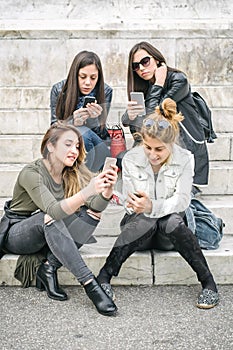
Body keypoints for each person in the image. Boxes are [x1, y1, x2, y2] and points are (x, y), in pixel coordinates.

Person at [97, 98, 219, 309]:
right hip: (139, 231)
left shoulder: (185, 159)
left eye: (159, 149)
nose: (152, 155)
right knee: (145, 219)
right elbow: (129, 200)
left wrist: (152, 206)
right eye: (148, 147)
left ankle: (208, 283)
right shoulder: (131, 159)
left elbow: (181, 201)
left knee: (169, 220)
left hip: (169, 233)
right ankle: (104, 277)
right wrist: (131, 203)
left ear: (171, 144)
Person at [1, 122, 118, 317]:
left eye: (78, 146)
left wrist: (107, 190)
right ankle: (91, 285)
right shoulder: (32, 173)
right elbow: (54, 211)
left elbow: (96, 206)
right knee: (49, 217)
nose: (75, 150)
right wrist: (88, 190)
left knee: (91, 213)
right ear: (50, 146)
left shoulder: (71, 171)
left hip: (48, 230)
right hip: (18, 232)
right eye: (68, 144)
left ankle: (49, 267)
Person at [121, 41, 209, 194]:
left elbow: (153, 115)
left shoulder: (178, 80)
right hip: (160, 146)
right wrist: (130, 114)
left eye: (145, 61)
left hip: (184, 146)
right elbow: (127, 121)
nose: (141, 68)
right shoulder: (145, 85)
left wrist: (159, 83)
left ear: (157, 59)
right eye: (136, 66)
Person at [50, 51, 112, 172]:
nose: (88, 83)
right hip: (67, 147)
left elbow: (103, 134)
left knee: (84, 133)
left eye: (93, 78)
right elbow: (53, 129)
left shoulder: (105, 91)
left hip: (97, 146)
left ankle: (81, 181)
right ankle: (82, 180)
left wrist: (94, 120)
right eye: (83, 77)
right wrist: (73, 122)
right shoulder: (58, 90)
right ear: (75, 75)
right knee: (80, 132)